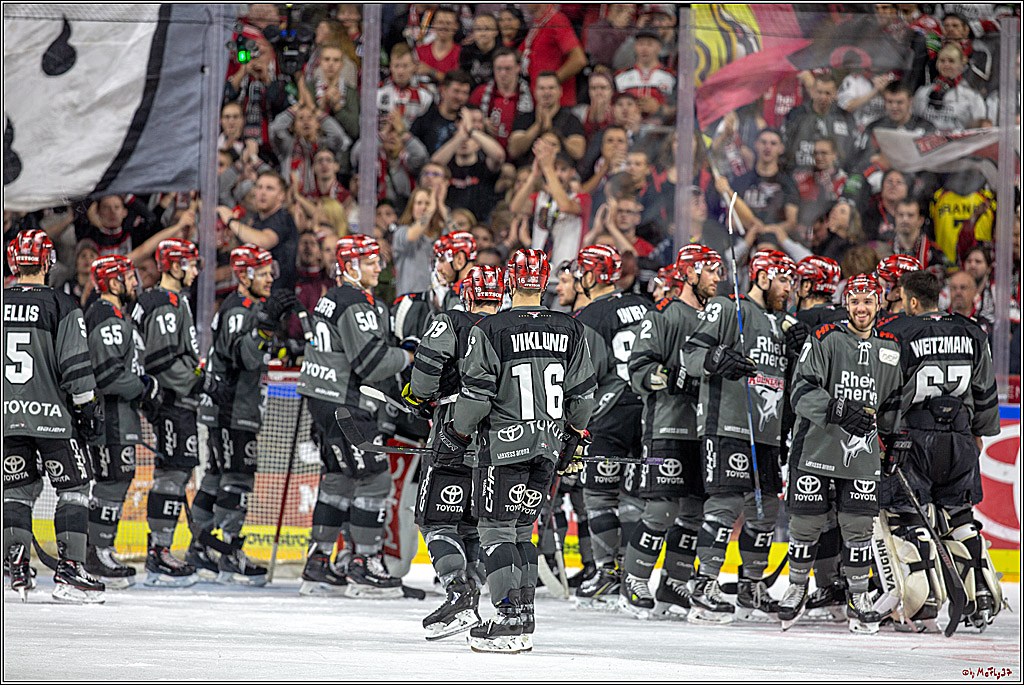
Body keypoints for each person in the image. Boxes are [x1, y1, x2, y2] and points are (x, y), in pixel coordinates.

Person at [430, 248, 597, 653]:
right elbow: (584, 394)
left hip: (502, 447)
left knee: (495, 530)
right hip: (548, 446)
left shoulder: (491, 328)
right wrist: (574, 434)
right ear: (544, 282)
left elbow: (476, 395)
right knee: (524, 530)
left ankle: (506, 620)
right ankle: (524, 617)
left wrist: (456, 433)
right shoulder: (570, 329)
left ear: (508, 281)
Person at [875, 270, 1002, 631]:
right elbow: (985, 390)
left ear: (912, 301)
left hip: (914, 437)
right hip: (960, 436)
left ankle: (923, 604)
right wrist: (980, 434)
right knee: (959, 517)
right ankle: (980, 600)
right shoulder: (971, 330)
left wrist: (886, 437)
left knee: (907, 518)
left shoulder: (896, 332)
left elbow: (890, 393)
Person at [779, 274, 904, 633]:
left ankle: (859, 595)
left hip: (863, 451)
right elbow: (800, 391)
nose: (861, 308)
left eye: (868, 301)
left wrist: (895, 441)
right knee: (805, 525)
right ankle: (797, 587)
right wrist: (837, 409)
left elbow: (893, 401)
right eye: (854, 301)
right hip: (816, 445)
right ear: (845, 304)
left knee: (859, 526)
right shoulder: (825, 338)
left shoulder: (892, 347)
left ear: (879, 303)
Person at [296, 235, 415, 597]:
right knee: (376, 479)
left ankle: (318, 562)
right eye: (370, 261)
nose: (379, 266)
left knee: (339, 480)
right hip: (345, 402)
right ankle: (364, 564)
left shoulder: (330, 298)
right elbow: (372, 362)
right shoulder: (355, 300)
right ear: (350, 266)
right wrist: (409, 355)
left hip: (322, 399)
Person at [682, 249, 796, 624]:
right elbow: (691, 355)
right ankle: (704, 586)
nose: (789, 287)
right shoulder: (729, 308)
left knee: (767, 512)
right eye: (783, 279)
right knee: (726, 505)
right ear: (762, 277)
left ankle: (750, 588)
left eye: (793, 280)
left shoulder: (782, 323)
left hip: (765, 432)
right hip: (726, 423)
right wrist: (716, 359)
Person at [621, 245, 723, 620]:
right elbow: (638, 368)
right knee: (662, 509)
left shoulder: (719, 316)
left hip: (707, 427)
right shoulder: (663, 314)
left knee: (695, 511)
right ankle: (634, 579)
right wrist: (668, 376)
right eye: (710, 271)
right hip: (667, 423)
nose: (717, 278)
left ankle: (674, 581)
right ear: (689, 274)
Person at [4, 229, 105, 603]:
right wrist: (88, 408)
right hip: (53, 418)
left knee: (15, 489)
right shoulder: (62, 304)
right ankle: (70, 573)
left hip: (6, 418)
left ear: (14, 262)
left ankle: (15, 565)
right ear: (47, 261)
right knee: (75, 490)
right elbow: (75, 368)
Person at [405, 265, 505, 640]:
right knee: (478, 525)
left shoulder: (450, 321)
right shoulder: (513, 326)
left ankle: (460, 596)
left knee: (437, 521)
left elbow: (424, 377)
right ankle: (477, 598)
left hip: (454, 435)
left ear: (467, 294)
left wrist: (419, 397)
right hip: (502, 445)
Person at [189, 245, 297, 585]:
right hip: (231, 409)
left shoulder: (247, 308)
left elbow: (253, 350)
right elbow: (243, 355)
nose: (270, 279)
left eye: (270, 272)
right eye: (262, 273)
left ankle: (200, 547)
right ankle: (228, 551)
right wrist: (266, 328)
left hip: (232, 408)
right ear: (243, 275)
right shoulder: (240, 309)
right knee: (236, 479)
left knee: (215, 476)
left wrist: (284, 347)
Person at [567, 246, 650, 609]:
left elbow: (585, 376)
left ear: (592, 275)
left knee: (600, 496)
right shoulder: (643, 304)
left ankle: (607, 574)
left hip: (610, 412)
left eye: (579, 271)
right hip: (647, 410)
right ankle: (633, 578)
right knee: (633, 498)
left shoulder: (589, 316)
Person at [134, 238, 210, 586]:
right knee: (172, 474)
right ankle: (159, 553)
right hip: (171, 402)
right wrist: (200, 381)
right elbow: (162, 359)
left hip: (171, 400)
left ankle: (159, 550)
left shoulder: (169, 299)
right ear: (175, 266)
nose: (195, 270)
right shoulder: (165, 303)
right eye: (191, 264)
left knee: (175, 471)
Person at [82, 255, 160, 590]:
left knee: (117, 479)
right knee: (113, 481)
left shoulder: (114, 315)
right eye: (128, 277)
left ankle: (99, 549)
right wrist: (144, 385)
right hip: (110, 416)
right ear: (113, 282)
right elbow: (111, 376)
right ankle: (97, 553)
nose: (134, 282)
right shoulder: (108, 316)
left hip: (118, 416)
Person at [509, 138, 591, 300]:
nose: (557, 174)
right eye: (555, 169)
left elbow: (565, 206)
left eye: (563, 169)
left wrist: (548, 168)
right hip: (537, 277)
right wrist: (534, 175)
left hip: (566, 277)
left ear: (572, 173)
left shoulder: (581, 198)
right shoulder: (540, 197)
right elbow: (515, 207)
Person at [220, 171, 298, 293]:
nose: (262, 192)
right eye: (259, 187)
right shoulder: (256, 219)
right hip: (257, 293)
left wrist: (231, 221)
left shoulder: (282, 218)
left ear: (281, 195)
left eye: (269, 188)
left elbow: (262, 242)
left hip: (277, 296)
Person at [431, 106, 505, 223]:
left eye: (469, 139)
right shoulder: (448, 164)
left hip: (480, 223)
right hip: (449, 222)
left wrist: (471, 130)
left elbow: (499, 155)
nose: (464, 142)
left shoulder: (484, 164)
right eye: (462, 139)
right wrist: (460, 136)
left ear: (479, 144)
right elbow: (434, 164)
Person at [782, 73, 858, 170]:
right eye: (819, 92)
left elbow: (852, 153)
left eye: (827, 93)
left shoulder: (845, 117)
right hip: (800, 175)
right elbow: (785, 148)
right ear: (812, 91)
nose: (823, 97)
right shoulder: (796, 115)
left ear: (835, 93)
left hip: (836, 178)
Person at [508, 71, 586, 162]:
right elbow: (513, 151)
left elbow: (579, 152)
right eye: (542, 88)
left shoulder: (572, 119)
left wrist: (554, 132)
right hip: (528, 170)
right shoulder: (523, 118)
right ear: (535, 91)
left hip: (559, 170)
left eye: (551, 88)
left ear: (560, 91)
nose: (546, 92)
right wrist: (537, 127)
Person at [520, 4, 587, 108]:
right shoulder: (538, 22)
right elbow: (519, 55)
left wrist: (550, 84)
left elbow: (579, 60)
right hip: (539, 104)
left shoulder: (557, 21)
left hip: (559, 106)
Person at [470, 47, 534, 153]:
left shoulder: (530, 95)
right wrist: (481, 122)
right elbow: (467, 121)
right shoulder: (480, 93)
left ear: (518, 68)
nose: (503, 73)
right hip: (486, 154)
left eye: (508, 68)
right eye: (498, 69)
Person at [913, 43, 987, 130]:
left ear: (961, 65)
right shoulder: (923, 92)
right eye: (942, 61)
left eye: (951, 61)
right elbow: (914, 121)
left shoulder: (972, 96)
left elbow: (980, 129)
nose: (946, 65)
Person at [613, 28, 676, 124]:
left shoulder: (671, 77)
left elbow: (677, 108)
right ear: (635, 46)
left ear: (659, 47)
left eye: (650, 44)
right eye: (641, 44)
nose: (644, 48)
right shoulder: (621, 76)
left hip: (660, 131)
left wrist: (658, 109)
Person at [410, 69, 473, 155]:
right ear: (443, 90)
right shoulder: (425, 121)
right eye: (456, 91)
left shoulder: (469, 121)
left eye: (465, 93)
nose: (460, 97)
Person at [377, 43, 434, 130]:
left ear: (414, 66)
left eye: (405, 66)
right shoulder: (378, 92)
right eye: (397, 66)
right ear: (391, 66)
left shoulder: (426, 95)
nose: (400, 71)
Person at [891, 199, 950, 276]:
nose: (905, 219)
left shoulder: (935, 253)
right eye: (900, 215)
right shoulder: (885, 250)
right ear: (895, 218)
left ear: (920, 220)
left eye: (910, 215)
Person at [415, 7, 462, 82]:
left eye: (448, 23)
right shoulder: (419, 51)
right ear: (434, 24)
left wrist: (431, 72)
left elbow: (458, 83)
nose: (444, 27)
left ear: (456, 26)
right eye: (440, 22)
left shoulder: (462, 53)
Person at [460, 13, 500, 88]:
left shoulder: (502, 54)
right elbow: (463, 79)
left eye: (487, 29)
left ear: (496, 32)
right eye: (478, 29)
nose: (483, 33)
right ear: (473, 32)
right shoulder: (466, 52)